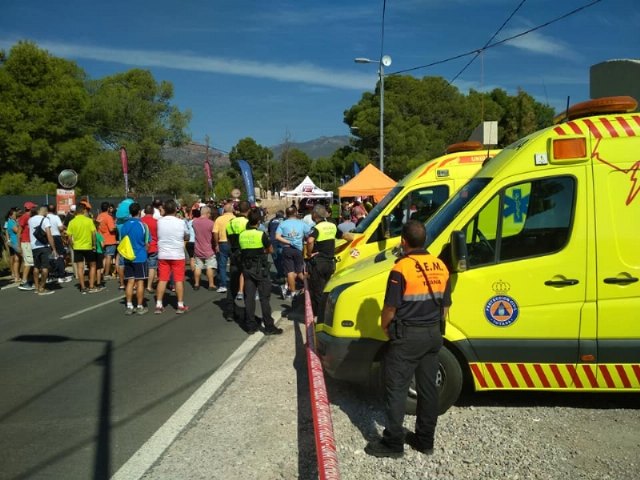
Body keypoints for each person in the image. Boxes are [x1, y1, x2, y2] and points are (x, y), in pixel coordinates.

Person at [364, 220, 451, 458]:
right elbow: (445, 307)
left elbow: (390, 307)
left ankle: (393, 443)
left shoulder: (401, 268)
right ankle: (425, 440)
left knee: (397, 388)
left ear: (404, 242)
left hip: (407, 337)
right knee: (428, 388)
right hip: (433, 334)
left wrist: (385, 327)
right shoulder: (440, 266)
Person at [238, 209, 283, 335]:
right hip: (260, 269)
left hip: (247, 268)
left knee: (249, 298)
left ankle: (251, 325)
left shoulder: (242, 234)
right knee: (264, 298)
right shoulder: (260, 234)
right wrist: (263, 252)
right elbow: (270, 249)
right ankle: (269, 326)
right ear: (258, 221)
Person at [155, 199, 190, 314]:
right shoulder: (181, 222)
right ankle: (180, 305)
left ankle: (159, 304)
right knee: (178, 280)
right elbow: (187, 235)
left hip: (163, 254)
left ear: (164, 209)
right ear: (176, 209)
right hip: (177, 254)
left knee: (163, 279)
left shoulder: (159, 221)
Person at [306, 205, 341, 316]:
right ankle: (329, 312)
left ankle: (320, 315)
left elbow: (310, 241)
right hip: (330, 262)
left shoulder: (316, 228)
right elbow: (345, 236)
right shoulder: (332, 225)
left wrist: (309, 253)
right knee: (327, 288)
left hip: (319, 262)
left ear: (315, 215)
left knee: (318, 291)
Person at [275, 206, 310, 300]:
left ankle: (293, 292)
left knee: (290, 271)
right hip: (298, 249)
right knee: (299, 271)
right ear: (296, 213)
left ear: (286, 214)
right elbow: (310, 233)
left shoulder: (283, 223)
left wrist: (288, 241)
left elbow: (277, 237)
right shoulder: (302, 223)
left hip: (287, 248)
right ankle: (308, 287)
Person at [120, 203, 149, 315]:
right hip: (140, 257)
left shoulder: (124, 226)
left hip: (128, 256)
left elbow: (122, 240)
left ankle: (129, 305)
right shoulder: (143, 225)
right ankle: (140, 306)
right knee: (140, 281)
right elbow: (147, 243)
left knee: (130, 282)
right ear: (139, 212)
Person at [66, 202, 101, 294]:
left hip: (77, 247)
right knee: (92, 265)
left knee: (80, 267)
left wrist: (72, 245)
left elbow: (69, 237)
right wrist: (94, 244)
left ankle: (82, 287)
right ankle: (91, 286)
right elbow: (94, 233)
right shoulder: (89, 220)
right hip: (88, 246)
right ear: (83, 210)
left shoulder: (72, 222)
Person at [28, 206, 59, 295]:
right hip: (44, 246)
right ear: (45, 212)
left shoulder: (30, 220)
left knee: (36, 267)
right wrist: (53, 248)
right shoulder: (45, 220)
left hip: (34, 246)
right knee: (45, 267)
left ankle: (37, 287)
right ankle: (42, 287)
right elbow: (49, 235)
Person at [226, 201, 250, 306]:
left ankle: (230, 309)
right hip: (245, 252)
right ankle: (248, 311)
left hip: (233, 252)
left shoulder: (231, 222)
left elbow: (228, 238)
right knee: (248, 282)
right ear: (248, 210)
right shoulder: (247, 222)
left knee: (233, 281)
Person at [192, 206, 217, 290]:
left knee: (198, 266)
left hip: (198, 248)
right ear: (207, 213)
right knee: (210, 266)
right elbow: (214, 235)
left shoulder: (194, 222)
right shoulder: (211, 223)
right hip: (208, 248)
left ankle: (196, 283)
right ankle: (211, 284)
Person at [213, 202, 235, 293]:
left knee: (222, 265)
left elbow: (215, 232)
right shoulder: (235, 218)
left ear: (223, 210)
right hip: (234, 244)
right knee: (235, 265)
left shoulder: (219, 219)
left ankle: (223, 285)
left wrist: (216, 244)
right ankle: (235, 284)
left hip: (222, 243)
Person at [17, 201, 37, 291]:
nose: (35, 209)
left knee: (31, 262)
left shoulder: (30, 217)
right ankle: (24, 282)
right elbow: (19, 232)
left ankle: (29, 280)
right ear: (30, 208)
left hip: (30, 242)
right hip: (25, 242)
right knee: (28, 263)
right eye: (33, 207)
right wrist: (19, 245)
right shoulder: (24, 217)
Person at [47, 204, 69, 283]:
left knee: (50, 256)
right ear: (55, 210)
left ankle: (51, 274)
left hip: (47, 237)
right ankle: (61, 275)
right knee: (60, 255)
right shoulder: (56, 217)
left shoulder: (45, 217)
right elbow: (60, 227)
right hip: (56, 237)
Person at [96, 201, 118, 279]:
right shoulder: (108, 217)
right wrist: (116, 227)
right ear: (108, 208)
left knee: (104, 257)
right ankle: (106, 274)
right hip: (109, 240)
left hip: (101, 239)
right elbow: (111, 229)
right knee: (109, 257)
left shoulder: (99, 216)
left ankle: (102, 272)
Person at [140, 204, 159, 293]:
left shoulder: (140, 221)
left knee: (141, 265)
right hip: (154, 246)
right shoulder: (156, 222)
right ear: (153, 212)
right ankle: (149, 286)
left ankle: (139, 284)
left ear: (144, 212)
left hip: (141, 246)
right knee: (152, 267)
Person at [3, 207, 22, 283]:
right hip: (14, 242)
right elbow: (8, 231)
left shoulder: (15, 221)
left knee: (17, 259)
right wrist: (8, 240)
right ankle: (14, 274)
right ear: (10, 215)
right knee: (15, 258)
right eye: (14, 214)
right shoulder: (10, 222)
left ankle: (17, 275)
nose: (16, 215)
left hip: (16, 241)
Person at [267, 210, 285, 281]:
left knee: (276, 259)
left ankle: (280, 273)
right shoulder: (285, 220)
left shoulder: (271, 220)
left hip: (273, 241)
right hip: (282, 240)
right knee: (283, 258)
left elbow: (269, 231)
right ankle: (283, 274)